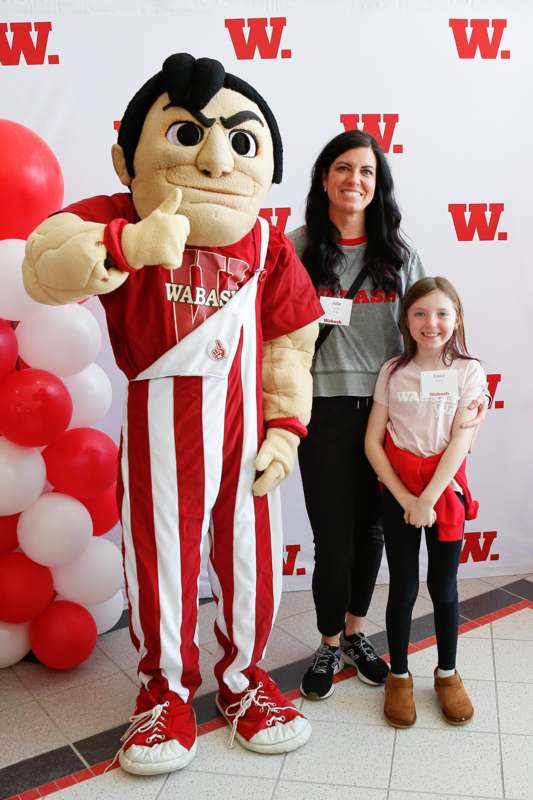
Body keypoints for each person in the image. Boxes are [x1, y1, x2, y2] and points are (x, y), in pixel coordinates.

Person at [23, 53, 324, 774]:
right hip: (158, 427)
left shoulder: (264, 244)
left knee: (248, 564)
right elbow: (44, 265)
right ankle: (164, 694)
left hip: (244, 431)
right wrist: (125, 245)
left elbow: (289, 341)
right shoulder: (119, 215)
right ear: (130, 156)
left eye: (240, 143)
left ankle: (245, 682)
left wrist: (285, 428)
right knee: (162, 566)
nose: (217, 160)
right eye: (191, 136)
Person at [289, 130, 425, 699]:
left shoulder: (398, 252)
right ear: (325, 179)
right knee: (332, 538)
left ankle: (354, 632)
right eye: (343, 169)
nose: (354, 181)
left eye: (366, 172)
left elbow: (426, 332)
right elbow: (274, 332)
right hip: (321, 408)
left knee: (371, 532)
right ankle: (325, 643)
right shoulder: (298, 247)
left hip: (386, 412)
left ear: (379, 184)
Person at [365, 276, 485, 727]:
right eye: (420, 313)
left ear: (456, 319)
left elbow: (461, 440)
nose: (430, 323)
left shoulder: (468, 372)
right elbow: (373, 443)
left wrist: (429, 498)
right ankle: (399, 676)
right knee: (403, 588)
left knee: (445, 588)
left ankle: (448, 675)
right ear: (405, 320)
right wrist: (404, 498)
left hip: (443, 494)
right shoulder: (392, 372)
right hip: (399, 494)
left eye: (441, 313)